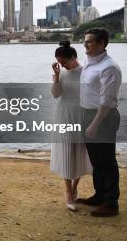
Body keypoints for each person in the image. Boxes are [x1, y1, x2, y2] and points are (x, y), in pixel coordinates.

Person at [76, 28, 122, 217]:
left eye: (90, 42)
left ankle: (111, 203)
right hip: (88, 114)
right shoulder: (89, 62)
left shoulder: (109, 67)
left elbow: (107, 100)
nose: (85, 45)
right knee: (96, 160)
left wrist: (94, 124)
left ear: (102, 43)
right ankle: (100, 195)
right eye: (85, 41)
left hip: (103, 117)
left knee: (107, 161)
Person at [50, 41, 92, 212]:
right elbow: (55, 95)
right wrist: (57, 77)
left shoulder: (86, 72)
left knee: (81, 152)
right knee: (67, 151)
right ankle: (68, 191)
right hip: (64, 115)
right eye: (59, 63)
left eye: (64, 62)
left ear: (73, 57)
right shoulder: (62, 74)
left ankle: (75, 187)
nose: (62, 65)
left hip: (81, 115)